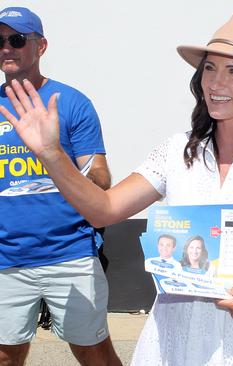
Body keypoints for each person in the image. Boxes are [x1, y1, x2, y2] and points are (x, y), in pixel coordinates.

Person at [1, 13, 233, 365]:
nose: (215, 83)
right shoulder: (176, 152)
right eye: (209, 68)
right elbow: (103, 209)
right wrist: (52, 155)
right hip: (175, 339)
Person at [0, 7, 121, 366]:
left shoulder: (69, 103)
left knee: (93, 353)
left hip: (70, 253)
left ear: (41, 46)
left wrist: (53, 155)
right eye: (0, 40)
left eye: (17, 40)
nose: (7, 48)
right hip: (7, 258)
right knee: (6, 356)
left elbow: (101, 178)